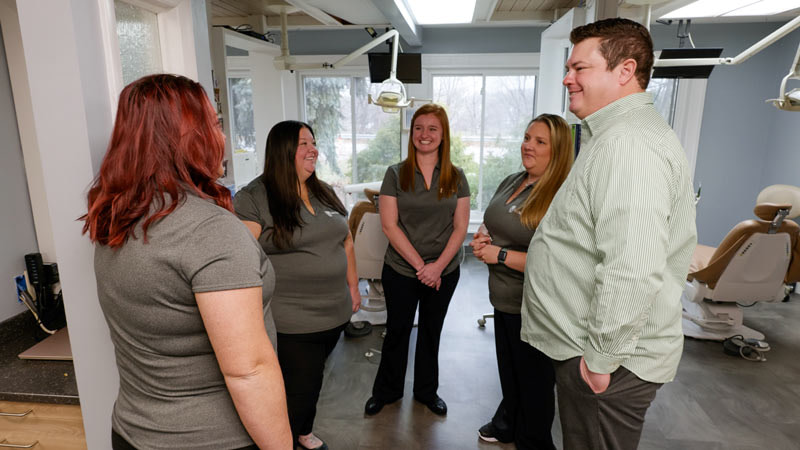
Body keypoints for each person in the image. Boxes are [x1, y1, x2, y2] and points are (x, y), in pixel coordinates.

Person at [82, 74, 291, 450]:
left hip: (131, 433)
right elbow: (249, 371)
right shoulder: (209, 230)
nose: (222, 136)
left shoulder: (117, 216)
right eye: (213, 124)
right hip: (213, 440)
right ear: (188, 137)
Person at [520, 18, 697, 450]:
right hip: (598, 355)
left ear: (625, 70)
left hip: (608, 363)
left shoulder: (628, 146)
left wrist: (600, 360)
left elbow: (631, 266)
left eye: (579, 68)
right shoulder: (613, 136)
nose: (567, 78)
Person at [234, 120, 360, 450]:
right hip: (291, 321)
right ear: (283, 150)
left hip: (334, 313)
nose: (313, 149)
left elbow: (346, 241)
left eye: (314, 142)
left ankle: (303, 432)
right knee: (294, 390)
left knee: (313, 381)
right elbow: (242, 262)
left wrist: (353, 287)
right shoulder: (255, 197)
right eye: (303, 143)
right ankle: (286, 440)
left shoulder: (323, 191)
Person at [470, 114, 573, 449]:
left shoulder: (560, 195)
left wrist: (498, 255)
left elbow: (554, 262)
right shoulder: (516, 179)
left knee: (535, 387)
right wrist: (482, 238)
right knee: (511, 377)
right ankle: (509, 424)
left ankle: (535, 442)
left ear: (557, 152)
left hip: (535, 306)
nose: (528, 145)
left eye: (540, 142)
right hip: (503, 300)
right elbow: (494, 219)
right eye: (528, 137)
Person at [365, 103, 470, 417]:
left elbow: (461, 225)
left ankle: (426, 392)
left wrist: (437, 267)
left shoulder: (456, 175)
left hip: (445, 270)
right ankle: (387, 392)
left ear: (443, 135)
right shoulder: (396, 174)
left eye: (432, 129)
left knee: (430, 332)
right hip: (401, 270)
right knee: (397, 332)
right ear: (411, 134)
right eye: (419, 128)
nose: (425, 135)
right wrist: (421, 267)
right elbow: (389, 225)